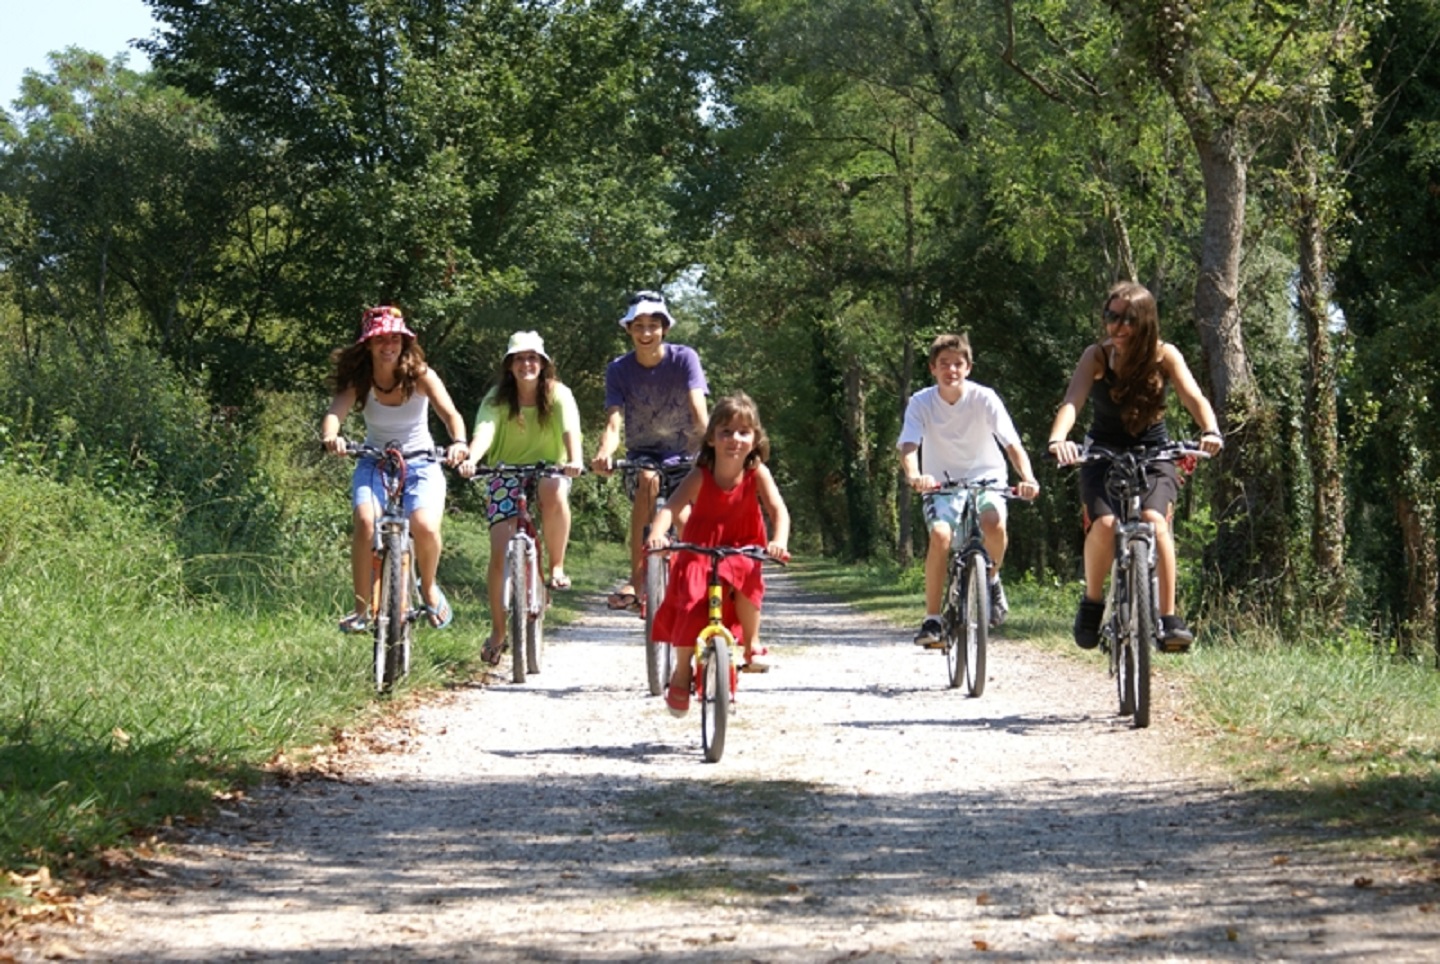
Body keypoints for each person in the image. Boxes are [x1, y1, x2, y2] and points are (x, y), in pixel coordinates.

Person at [1047, 281, 1224, 652]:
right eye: (1111, 317)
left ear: (1145, 322)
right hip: (1103, 453)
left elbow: (1194, 396)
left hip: (1154, 452)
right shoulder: (1096, 356)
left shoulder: (1165, 356)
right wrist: (1059, 439)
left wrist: (1210, 430)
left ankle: (1169, 618)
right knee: (1106, 524)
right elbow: (1072, 402)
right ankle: (1093, 602)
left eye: (1128, 319)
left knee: (1154, 522)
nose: (1118, 327)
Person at [321, 305, 470, 633]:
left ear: (404, 343)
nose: (387, 346)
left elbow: (451, 415)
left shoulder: (421, 375)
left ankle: (428, 589)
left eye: (394, 339)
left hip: (421, 462)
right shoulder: (361, 379)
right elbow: (335, 413)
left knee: (425, 526)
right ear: (368, 345)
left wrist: (459, 442)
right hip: (375, 460)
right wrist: (332, 437)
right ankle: (361, 609)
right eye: (380, 340)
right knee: (365, 521)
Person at [645, 393, 791, 718]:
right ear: (711, 438)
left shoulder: (757, 474)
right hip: (700, 548)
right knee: (689, 601)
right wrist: (658, 535)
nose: (734, 439)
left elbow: (778, 511)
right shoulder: (701, 474)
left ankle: (752, 644)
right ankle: (682, 671)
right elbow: (671, 508)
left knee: (748, 583)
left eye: (743, 432)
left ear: (755, 439)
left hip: (742, 546)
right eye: (726, 431)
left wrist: (778, 541)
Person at [897, 333, 1040, 646]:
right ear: (932, 368)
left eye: (958, 364)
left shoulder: (984, 398)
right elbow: (909, 444)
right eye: (944, 364)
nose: (951, 370)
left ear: (969, 367)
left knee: (994, 523)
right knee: (940, 537)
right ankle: (932, 619)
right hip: (940, 482)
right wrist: (915, 474)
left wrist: (1028, 478)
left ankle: (991, 579)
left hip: (987, 478)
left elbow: (1011, 443)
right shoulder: (921, 402)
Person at [459, 331, 584, 666]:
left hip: (549, 468)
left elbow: (571, 428)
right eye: (519, 359)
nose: (526, 364)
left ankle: (556, 565)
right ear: (509, 365)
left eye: (532, 358)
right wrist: (472, 457)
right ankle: (499, 632)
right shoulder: (497, 398)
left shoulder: (558, 394)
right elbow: (483, 431)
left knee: (552, 489)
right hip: (505, 471)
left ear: (543, 364)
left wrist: (574, 459)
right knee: (499, 550)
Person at [590, 290, 709, 613]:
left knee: (685, 518)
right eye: (638, 325)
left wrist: (710, 447)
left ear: (665, 328)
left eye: (653, 325)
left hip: (685, 456)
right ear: (628, 329)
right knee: (646, 479)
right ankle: (638, 580)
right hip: (642, 455)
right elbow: (614, 423)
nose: (645, 333)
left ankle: (699, 586)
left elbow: (699, 408)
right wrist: (604, 453)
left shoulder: (685, 358)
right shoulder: (618, 369)